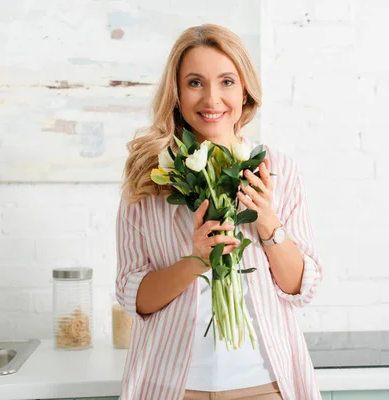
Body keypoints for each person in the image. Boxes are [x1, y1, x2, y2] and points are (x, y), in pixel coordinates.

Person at [115, 24, 323, 400]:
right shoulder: (148, 177)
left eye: (226, 81)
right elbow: (134, 296)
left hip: (264, 385)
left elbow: (300, 289)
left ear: (245, 91)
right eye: (195, 82)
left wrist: (267, 221)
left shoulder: (279, 169)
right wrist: (196, 260)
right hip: (172, 387)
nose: (212, 99)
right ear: (176, 94)